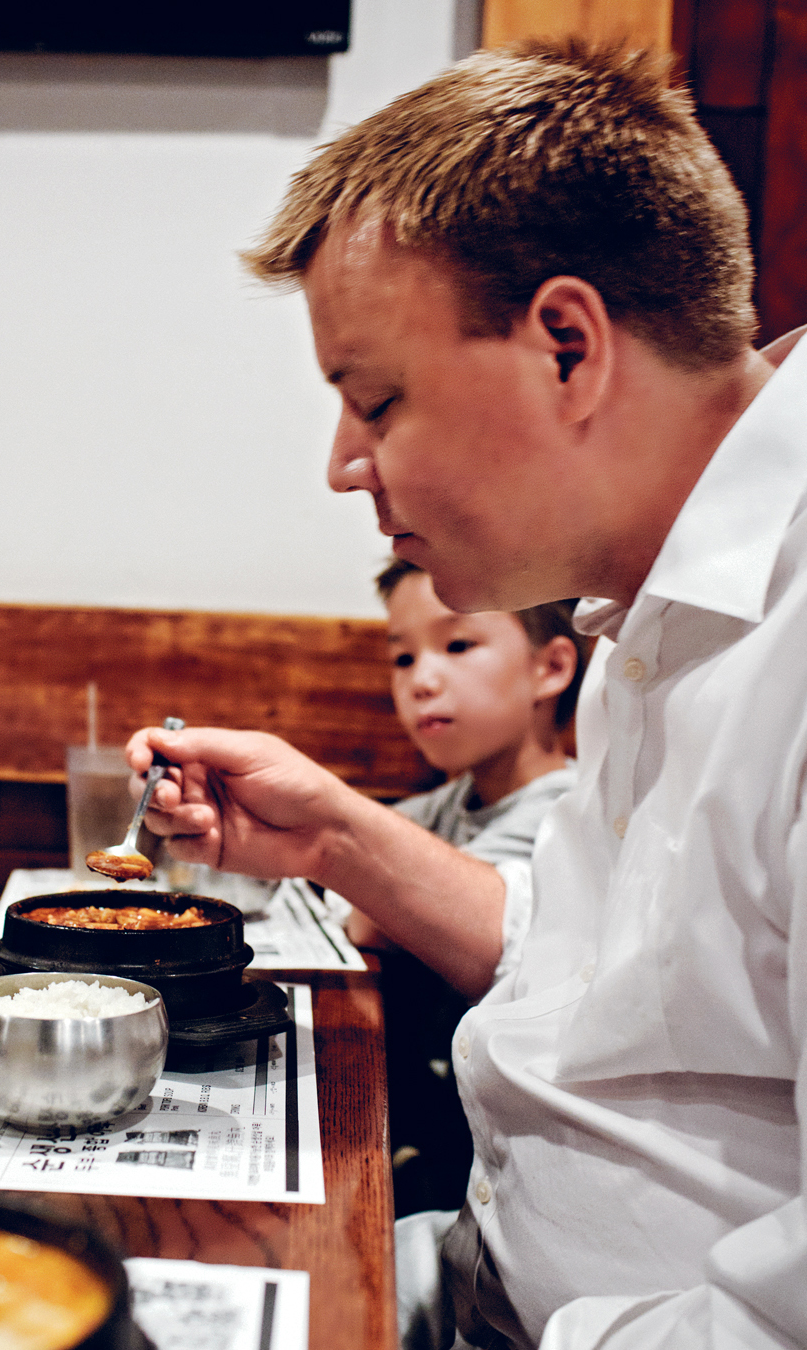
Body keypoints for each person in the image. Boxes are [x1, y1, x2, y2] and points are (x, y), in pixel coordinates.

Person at [125, 39, 807, 1350]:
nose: (342, 465)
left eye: (373, 400)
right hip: (466, 1267)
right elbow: (615, 958)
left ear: (566, 346)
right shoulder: (646, 605)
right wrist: (329, 831)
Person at [349, 559, 585, 1217]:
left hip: (494, 1167)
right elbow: (350, 882)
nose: (422, 680)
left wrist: (361, 880)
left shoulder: (563, 812)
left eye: (457, 646)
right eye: (402, 658)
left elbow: (372, 913)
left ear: (552, 668)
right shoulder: (456, 802)